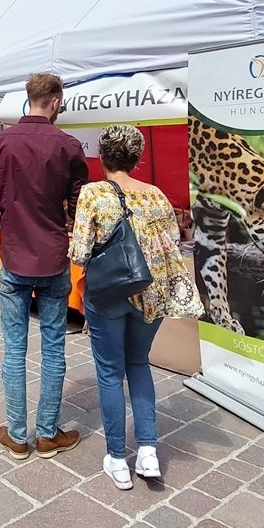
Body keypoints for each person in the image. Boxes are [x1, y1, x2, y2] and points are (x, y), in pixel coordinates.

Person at [70, 124, 200, 489]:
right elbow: (171, 241)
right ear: (138, 159)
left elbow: (79, 254)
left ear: (103, 157)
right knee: (139, 364)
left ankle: (116, 458)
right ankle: (148, 452)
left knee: (110, 372)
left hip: (109, 294)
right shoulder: (157, 195)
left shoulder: (93, 193)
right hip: (152, 295)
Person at [0, 72, 88, 460]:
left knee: (14, 348)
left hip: (15, 256)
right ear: (55, 101)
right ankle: (48, 433)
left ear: (29, 100)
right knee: (54, 347)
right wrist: (61, 224)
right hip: (53, 257)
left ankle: (19, 435)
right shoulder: (69, 147)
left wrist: (8, 219)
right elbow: (78, 208)